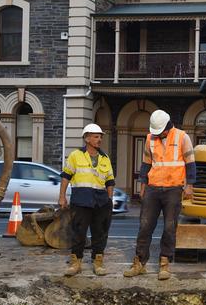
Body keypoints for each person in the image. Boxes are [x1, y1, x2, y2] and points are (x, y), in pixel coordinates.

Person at [124, 109, 195, 280]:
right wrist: (142, 185)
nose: (158, 134)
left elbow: (190, 162)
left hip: (173, 188)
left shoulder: (182, 137)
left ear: (168, 126)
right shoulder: (150, 138)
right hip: (153, 188)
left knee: (170, 227)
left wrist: (190, 185)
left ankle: (164, 262)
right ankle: (140, 262)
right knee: (145, 226)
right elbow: (146, 163)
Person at [59, 123, 115, 277]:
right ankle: (76, 263)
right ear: (87, 138)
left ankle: (98, 262)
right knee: (78, 233)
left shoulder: (105, 158)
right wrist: (62, 196)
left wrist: (110, 199)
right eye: (96, 137)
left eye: (100, 137)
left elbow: (110, 180)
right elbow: (66, 176)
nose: (100, 140)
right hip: (81, 200)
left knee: (100, 233)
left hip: (101, 201)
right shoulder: (75, 155)